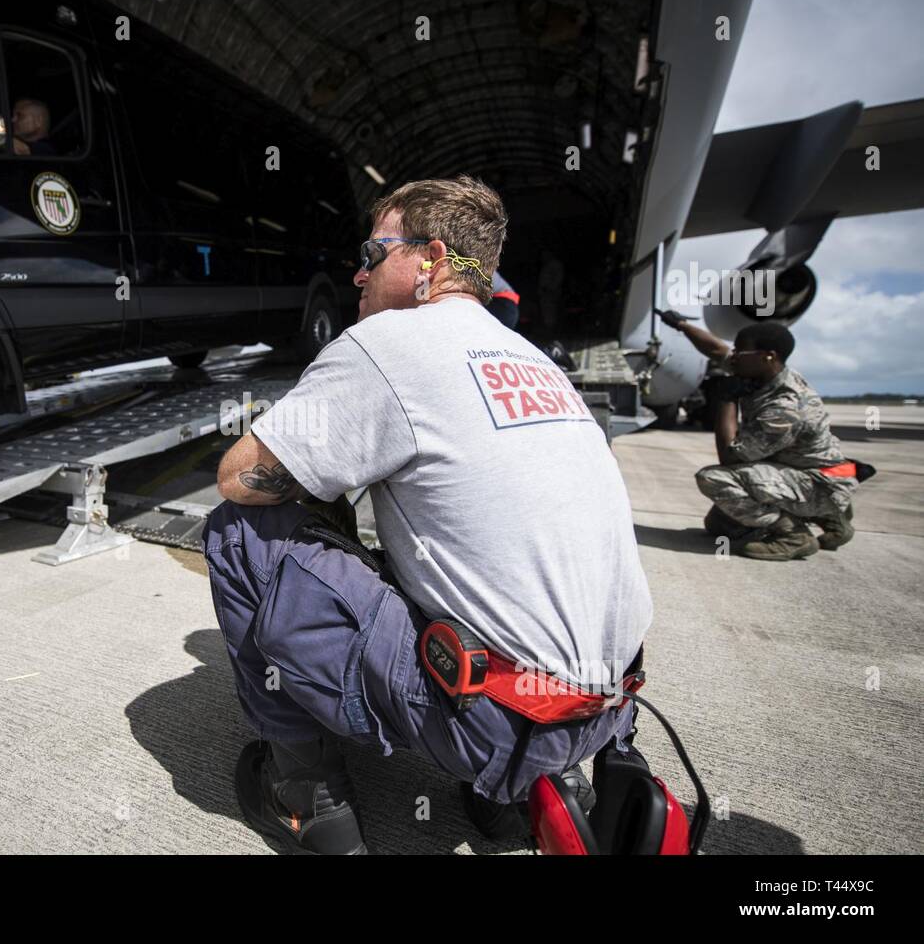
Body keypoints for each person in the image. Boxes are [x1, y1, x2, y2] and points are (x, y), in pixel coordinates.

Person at [202, 175, 653, 853]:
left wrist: (316, 498)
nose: (357, 272)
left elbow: (239, 478)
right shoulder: (535, 360)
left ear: (432, 259)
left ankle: (306, 795)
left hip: (493, 720)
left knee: (240, 532)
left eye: (372, 252)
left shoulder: (388, 340)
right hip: (598, 713)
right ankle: (509, 801)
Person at [660, 311, 858, 559]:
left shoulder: (786, 407)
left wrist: (726, 400)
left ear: (768, 356)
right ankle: (833, 518)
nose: (733, 358)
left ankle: (793, 535)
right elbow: (715, 350)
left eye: (739, 352)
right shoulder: (759, 372)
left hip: (821, 482)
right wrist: (680, 325)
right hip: (806, 472)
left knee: (714, 479)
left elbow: (731, 458)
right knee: (719, 525)